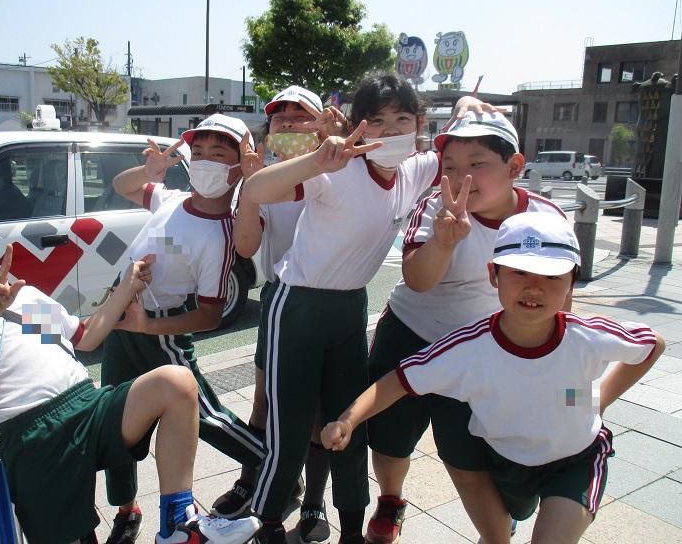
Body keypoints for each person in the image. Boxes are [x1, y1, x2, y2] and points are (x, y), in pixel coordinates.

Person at [0, 192, 261, 544]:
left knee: (176, 382)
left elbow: (85, 336)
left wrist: (127, 286)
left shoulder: (25, 299)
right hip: (34, 441)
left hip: (88, 406)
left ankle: (178, 524)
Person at [323, 211, 665, 544]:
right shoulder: (468, 347)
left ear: (572, 282)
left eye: (552, 276)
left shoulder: (589, 336)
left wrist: (597, 399)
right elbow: (400, 379)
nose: (534, 287)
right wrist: (348, 420)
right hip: (501, 462)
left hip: (576, 460)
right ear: (493, 274)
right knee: (498, 529)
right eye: (519, 272)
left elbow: (653, 345)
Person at [240, 73, 443, 544]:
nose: (390, 131)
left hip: (351, 306)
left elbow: (462, 149)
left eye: (402, 120)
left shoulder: (414, 170)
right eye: (377, 120)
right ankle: (268, 521)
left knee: (349, 421)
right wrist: (316, 159)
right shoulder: (337, 168)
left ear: (419, 125)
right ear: (357, 126)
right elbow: (256, 190)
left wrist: (473, 107)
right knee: (290, 423)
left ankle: (352, 526)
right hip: (297, 304)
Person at [364, 110, 567, 544]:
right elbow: (418, 281)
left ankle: (497, 524)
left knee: (469, 452)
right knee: (389, 437)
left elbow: (561, 292)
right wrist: (444, 240)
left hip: (482, 350)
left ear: (514, 166)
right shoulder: (434, 208)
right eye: (451, 167)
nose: (461, 179)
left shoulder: (544, 219)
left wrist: (555, 359)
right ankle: (391, 500)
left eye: (478, 164)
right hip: (412, 335)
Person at [102, 114, 265, 544]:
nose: (206, 161)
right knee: (114, 418)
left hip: (160, 332)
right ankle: (126, 509)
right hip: (122, 324)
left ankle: (273, 467)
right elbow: (122, 185)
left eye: (219, 154)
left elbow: (210, 315)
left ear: (240, 166)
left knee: (207, 416)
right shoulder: (171, 199)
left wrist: (148, 327)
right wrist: (149, 171)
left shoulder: (222, 233)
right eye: (201, 152)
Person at [214, 85, 344, 544]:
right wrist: (250, 192)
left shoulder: (343, 173)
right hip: (279, 300)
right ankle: (252, 480)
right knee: (263, 402)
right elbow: (246, 245)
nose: (287, 122)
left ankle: (312, 501)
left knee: (320, 412)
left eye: (300, 114)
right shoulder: (263, 179)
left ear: (322, 123)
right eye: (279, 116)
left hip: (330, 300)